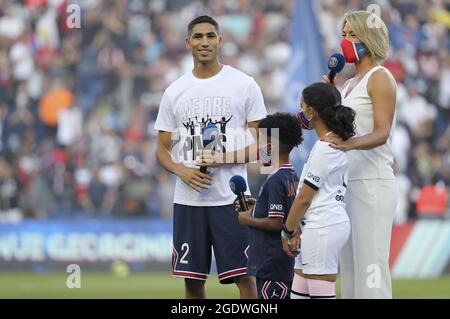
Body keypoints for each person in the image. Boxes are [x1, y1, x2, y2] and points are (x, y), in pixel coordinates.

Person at [154, 15, 267, 299]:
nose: (204, 42)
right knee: (192, 283)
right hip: (188, 201)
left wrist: (223, 158)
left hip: (231, 200)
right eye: (198, 37)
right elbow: (161, 149)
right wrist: (181, 170)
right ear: (188, 43)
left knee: (245, 278)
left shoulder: (244, 84)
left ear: (220, 40)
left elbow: (267, 147)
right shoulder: (174, 91)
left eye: (210, 36)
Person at [322, 11, 398, 299]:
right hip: (348, 184)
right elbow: (340, 132)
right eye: (344, 33)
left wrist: (350, 145)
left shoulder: (381, 77)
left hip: (372, 184)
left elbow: (382, 132)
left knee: (371, 270)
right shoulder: (349, 83)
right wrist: (329, 97)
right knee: (351, 275)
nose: (346, 40)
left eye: (352, 34)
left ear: (369, 38)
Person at [281, 82, 355, 299]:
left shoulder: (326, 148)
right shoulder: (331, 142)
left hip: (323, 225)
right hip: (317, 225)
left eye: (302, 106)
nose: (300, 112)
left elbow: (304, 197)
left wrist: (287, 230)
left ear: (312, 111)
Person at [235, 112, 302, 299]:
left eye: (261, 144)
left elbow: (275, 223)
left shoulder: (275, 179)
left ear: (270, 146)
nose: (258, 150)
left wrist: (248, 219)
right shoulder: (291, 175)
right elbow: (286, 210)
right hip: (283, 264)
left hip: (272, 264)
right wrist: (259, 206)